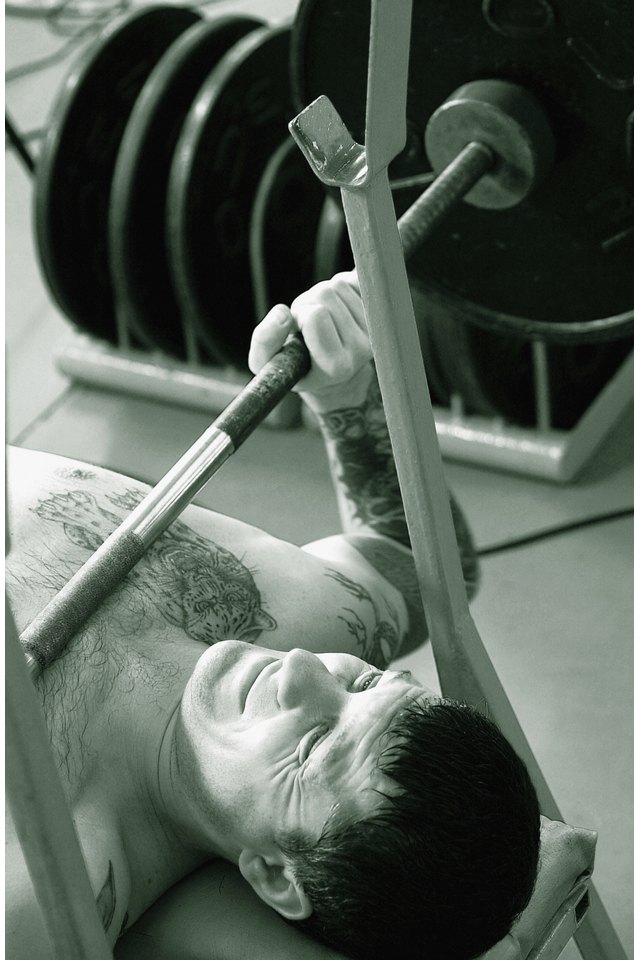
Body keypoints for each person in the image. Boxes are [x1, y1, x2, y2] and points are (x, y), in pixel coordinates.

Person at [6, 272, 540, 960]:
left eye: (314, 746)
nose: (299, 673)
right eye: (365, 685)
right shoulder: (299, 621)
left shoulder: (51, 879)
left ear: (274, 874)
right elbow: (422, 561)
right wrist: (349, 394)